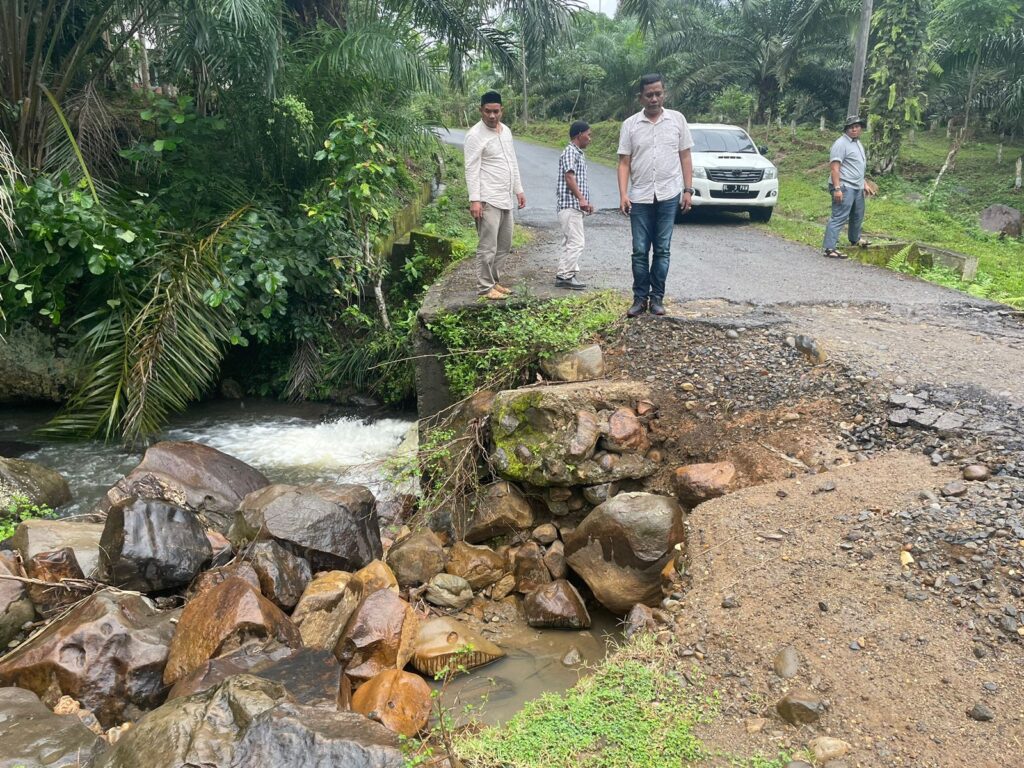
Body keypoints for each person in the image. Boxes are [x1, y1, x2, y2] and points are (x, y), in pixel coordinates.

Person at [617, 73, 694, 318]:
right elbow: (624, 162)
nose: (654, 99)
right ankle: (639, 299)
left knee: (662, 250)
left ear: (664, 93)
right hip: (639, 196)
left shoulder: (677, 120)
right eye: (649, 94)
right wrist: (623, 194)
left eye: (658, 94)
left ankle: (657, 298)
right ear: (641, 96)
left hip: (669, 194)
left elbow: (685, 156)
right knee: (640, 250)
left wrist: (688, 190)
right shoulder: (630, 125)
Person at [463, 90, 526, 300]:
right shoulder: (474, 135)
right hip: (487, 199)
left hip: (505, 197)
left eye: (496, 111)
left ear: (502, 110)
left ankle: (495, 282)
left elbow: (512, 161)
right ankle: (484, 287)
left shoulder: (506, 131)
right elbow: (471, 169)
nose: (492, 116)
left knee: (504, 245)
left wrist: (519, 189)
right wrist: (475, 200)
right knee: (487, 246)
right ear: (481, 110)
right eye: (487, 111)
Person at [823, 115, 876, 259]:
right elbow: (835, 169)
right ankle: (829, 248)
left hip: (857, 186)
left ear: (861, 129)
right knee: (839, 216)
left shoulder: (858, 143)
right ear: (846, 129)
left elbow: (856, 166)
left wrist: (864, 183)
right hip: (844, 185)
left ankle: (855, 239)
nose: (854, 129)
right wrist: (837, 189)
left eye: (857, 126)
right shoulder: (840, 144)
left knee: (857, 215)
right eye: (851, 127)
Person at [555, 120, 594, 290]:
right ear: (579, 134)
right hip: (570, 205)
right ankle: (565, 276)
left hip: (574, 205)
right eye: (588, 134)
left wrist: (585, 201)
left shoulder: (577, 153)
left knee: (570, 241)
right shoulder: (570, 152)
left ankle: (565, 273)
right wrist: (581, 199)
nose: (589, 138)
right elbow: (569, 177)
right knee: (577, 242)